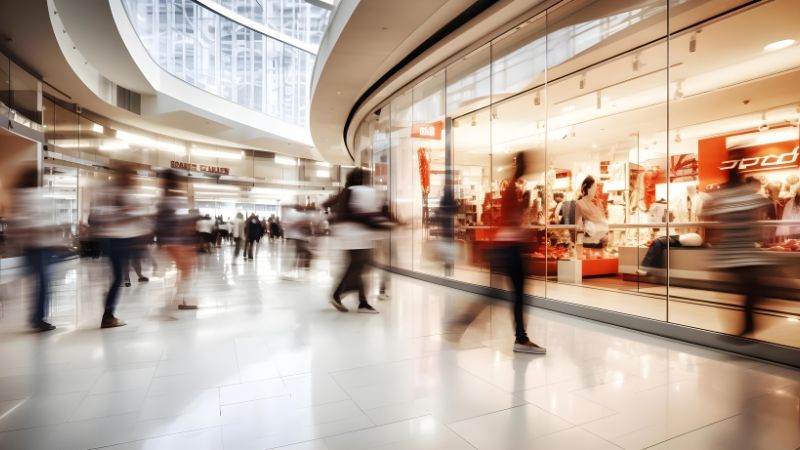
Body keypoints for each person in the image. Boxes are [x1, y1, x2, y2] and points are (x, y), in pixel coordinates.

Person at [702, 168, 772, 337]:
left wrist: (712, 242)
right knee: (755, 290)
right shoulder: (748, 194)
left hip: (729, 255)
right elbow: (767, 207)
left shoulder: (719, 197)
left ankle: (745, 329)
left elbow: (707, 220)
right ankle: (746, 329)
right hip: (742, 254)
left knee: (749, 291)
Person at [496, 152, 546, 354]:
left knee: (517, 295)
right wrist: (524, 207)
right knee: (518, 295)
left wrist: (525, 207)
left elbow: (515, 218)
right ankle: (521, 338)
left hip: (511, 249)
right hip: (509, 249)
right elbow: (512, 219)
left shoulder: (513, 190)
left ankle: (521, 337)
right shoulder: (510, 190)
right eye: (526, 163)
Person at [8, 166, 62, 331]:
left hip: (39, 245)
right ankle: (37, 318)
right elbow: (25, 222)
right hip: (37, 246)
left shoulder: (25, 196)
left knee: (42, 282)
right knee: (43, 282)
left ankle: (37, 317)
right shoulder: (26, 197)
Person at [89, 164, 143, 328]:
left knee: (118, 277)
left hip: (123, 239)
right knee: (118, 277)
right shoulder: (111, 191)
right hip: (114, 240)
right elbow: (99, 216)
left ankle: (109, 311)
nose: (133, 179)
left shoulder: (124, 192)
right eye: (131, 175)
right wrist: (126, 213)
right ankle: (108, 315)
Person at [325, 168, 384, 314]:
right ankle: (339, 293)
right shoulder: (361, 191)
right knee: (358, 267)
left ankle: (361, 301)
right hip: (359, 237)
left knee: (358, 266)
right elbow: (364, 215)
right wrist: (376, 224)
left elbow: (331, 206)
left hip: (351, 237)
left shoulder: (348, 191)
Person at [155, 169, 199, 309]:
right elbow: (180, 223)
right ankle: (174, 302)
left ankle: (179, 300)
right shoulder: (172, 200)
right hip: (177, 242)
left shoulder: (164, 199)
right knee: (186, 270)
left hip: (171, 241)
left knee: (186, 270)